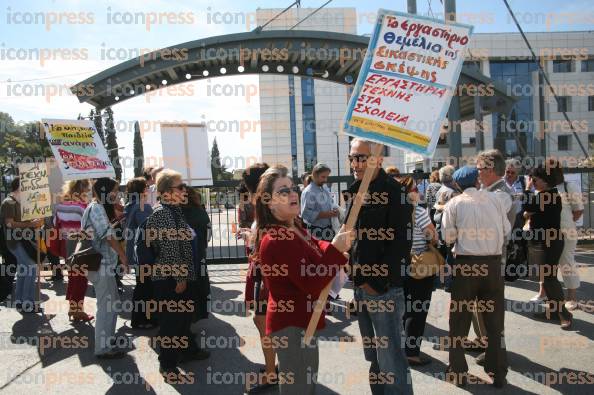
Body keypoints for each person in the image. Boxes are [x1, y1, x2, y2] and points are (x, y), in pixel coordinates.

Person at [255, 166, 351, 395]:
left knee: (306, 387)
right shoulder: (277, 238)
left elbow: (316, 246)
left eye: (293, 188)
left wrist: (335, 246)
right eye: (283, 191)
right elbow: (311, 281)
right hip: (292, 326)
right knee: (298, 389)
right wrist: (336, 254)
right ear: (269, 202)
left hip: (304, 321)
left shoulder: (294, 226)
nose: (293, 193)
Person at [347, 138, 414, 395]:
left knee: (391, 359)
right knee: (374, 357)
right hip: (361, 288)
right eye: (352, 157)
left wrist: (376, 284)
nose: (355, 163)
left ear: (378, 159)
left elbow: (400, 245)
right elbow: (353, 237)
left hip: (382, 290)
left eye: (361, 157)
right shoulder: (356, 190)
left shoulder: (394, 192)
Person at [442, 166, 509, 388]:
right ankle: (498, 371)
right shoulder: (497, 200)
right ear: (478, 180)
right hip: (493, 264)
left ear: (458, 185)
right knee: (494, 321)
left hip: (466, 265)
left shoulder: (454, 204)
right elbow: (506, 230)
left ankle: (458, 370)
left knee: (459, 320)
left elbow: (448, 237)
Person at [146, 169, 209, 379]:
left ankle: (187, 351)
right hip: (171, 278)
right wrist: (181, 277)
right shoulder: (163, 213)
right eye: (180, 186)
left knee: (182, 319)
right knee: (171, 323)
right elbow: (170, 248)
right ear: (166, 191)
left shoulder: (174, 210)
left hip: (181, 275)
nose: (185, 190)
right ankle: (167, 364)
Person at [239, 163, 278, 394]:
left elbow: (270, 237)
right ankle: (272, 369)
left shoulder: (267, 203)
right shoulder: (266, 202)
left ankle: (272, 373)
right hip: (264, 269)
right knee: (263, 319)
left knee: (263, 320)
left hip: (267, 272)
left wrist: (253, 240)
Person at [84, 178, 129, 358]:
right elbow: (108, 235)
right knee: (106, 306)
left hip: (103, 264)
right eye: (114, 190)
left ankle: (108, 341)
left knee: (112, 303)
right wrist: (123, 256)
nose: (116, 194)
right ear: (105, 191)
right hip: (99, 264)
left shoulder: (98, 207)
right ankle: (103, 347)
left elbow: (104, 232)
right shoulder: (96, 208)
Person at [523, 166, 573, 329]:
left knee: (549, 279)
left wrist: (527, 189)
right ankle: (553, 312)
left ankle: (564, 314)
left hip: (548, 243)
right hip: (547, 242)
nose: (533, 182)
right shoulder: (550, 195)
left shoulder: (545, 196)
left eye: (535, 180)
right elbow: (529, 212)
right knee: (547, 277)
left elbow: (527, 209)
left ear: (545, 181)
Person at [400, 176, 438, 367]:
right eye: (415, 189)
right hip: (418, 266)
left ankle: (400, 348)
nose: (418, 192)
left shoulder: (392, 212)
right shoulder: (419, 212)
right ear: (408, 193)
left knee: (402, 310)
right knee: (417, 310)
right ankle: (412, 353)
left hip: (397, 266)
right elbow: (433, 237)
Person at [0, 177, 44, 313]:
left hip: (22, 241)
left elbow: (23, 221)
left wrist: (35, 221)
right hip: (15, 242)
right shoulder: (8, 203)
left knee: (25, 270)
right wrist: (31, 224)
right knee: (30, 268)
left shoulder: (19, 202)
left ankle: (21, 301)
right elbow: (9, 223)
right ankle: (27, 302)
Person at [52, 179, 93, 321]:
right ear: (82, 187)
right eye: (87, 188)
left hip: (66, 243)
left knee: (72, 276)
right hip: (81, 243)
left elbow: (54, 223)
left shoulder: (60, 205)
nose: (88, 192)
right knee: (80, 278)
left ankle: (73, 308)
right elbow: (89, 227)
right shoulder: (83, 207)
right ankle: (76, 310)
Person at [123, 177, 156, 329]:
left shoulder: (130, 205)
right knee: (146, 288)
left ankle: (139, 318)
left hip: (135, 253)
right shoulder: (143, 206)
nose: (149, 189)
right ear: (142, 190)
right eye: (146, 187)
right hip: (145, 254)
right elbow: (149, 230)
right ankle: (142, 319)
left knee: (141, 286)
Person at [182, 187, 211, 323]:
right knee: (200, 281)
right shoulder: (201, 212)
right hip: (199, 252)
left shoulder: (177, 213)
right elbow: (208, 232)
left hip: (184, 255)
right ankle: (199, 313)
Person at [300, 163, 338, 241]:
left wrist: (335, 210)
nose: (325, 180)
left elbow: (330, 203)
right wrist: (327, 214)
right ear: (315, 175)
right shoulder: (309, 191)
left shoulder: (324, 187)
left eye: (327, 177)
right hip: (316, 231)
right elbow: (306, 213)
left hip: (328, 228)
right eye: (323, 177)